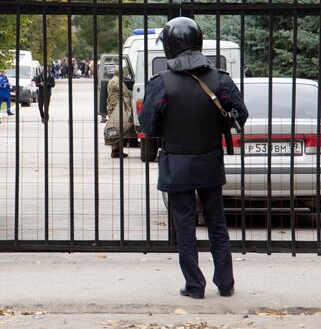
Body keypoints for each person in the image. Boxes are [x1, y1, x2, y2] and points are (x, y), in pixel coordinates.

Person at [139, 17, 248, 300]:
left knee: (185, 226)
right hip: (209, 159)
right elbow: (241, 114)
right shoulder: (220, 79)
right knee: (217, 223)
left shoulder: (161, 83)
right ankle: (225, 282)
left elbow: (147, 124)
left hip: (177, 163)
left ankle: (195, 285)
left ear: (170, 46)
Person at [105, 67, 134, 158]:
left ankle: (116, 150)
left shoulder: (111, 81)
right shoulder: (118, 82)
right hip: (117, 108)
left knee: (114, 128)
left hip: (111, 107)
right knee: (118, 128)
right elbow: (126, 93)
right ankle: (116, 151)